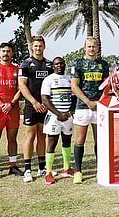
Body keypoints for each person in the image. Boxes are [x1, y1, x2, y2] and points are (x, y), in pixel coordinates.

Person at [71, 37, 109, 184]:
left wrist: (99, 102)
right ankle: (78, 171)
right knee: (80, 140)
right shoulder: (78, 63)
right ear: (84, 48)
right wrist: (88, 102)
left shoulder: (103, 64)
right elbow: (74, 86)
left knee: (99, 140)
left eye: (94, 46)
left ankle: (101, 170)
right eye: (89, 46)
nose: (92, 49)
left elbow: (107, 86)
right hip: (82, 107)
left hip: (100, 107)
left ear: (98, 48)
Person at [18, 35, 53, 183]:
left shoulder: (50, 65)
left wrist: (47, 103)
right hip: (31, 106)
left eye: (40, 46)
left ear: (44, 47)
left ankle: (41, 167)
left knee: (42, 136)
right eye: (36, 46)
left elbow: (53, 85)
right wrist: (34, 102)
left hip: (46, 106)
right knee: (29, 136)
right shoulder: (25, 64)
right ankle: (27, 169)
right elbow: (22, 86)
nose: (38, 48)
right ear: (32, 47)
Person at [0, 42, 23, 181]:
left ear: (12, 53)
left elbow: (21, 88)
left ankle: (12, 165)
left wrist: (12, 103)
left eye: (8, 51)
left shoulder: (17, 69)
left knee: (12, 138)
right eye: (3, 51)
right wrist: (2, 105)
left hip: (13, 108)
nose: (6, 54)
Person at [41, 57, 77, 185]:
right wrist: (58, 114)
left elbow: (74, 97)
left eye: (62, 64)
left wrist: (70, 112)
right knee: (52, 142)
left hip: (67, 117)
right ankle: (49, 172)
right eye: (57, 64)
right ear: (53, 66)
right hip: (54, 117)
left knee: (67, 141)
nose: (60, 66)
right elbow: (45, 99)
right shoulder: (48, 79)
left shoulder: (69, 79)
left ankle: (66, 169)